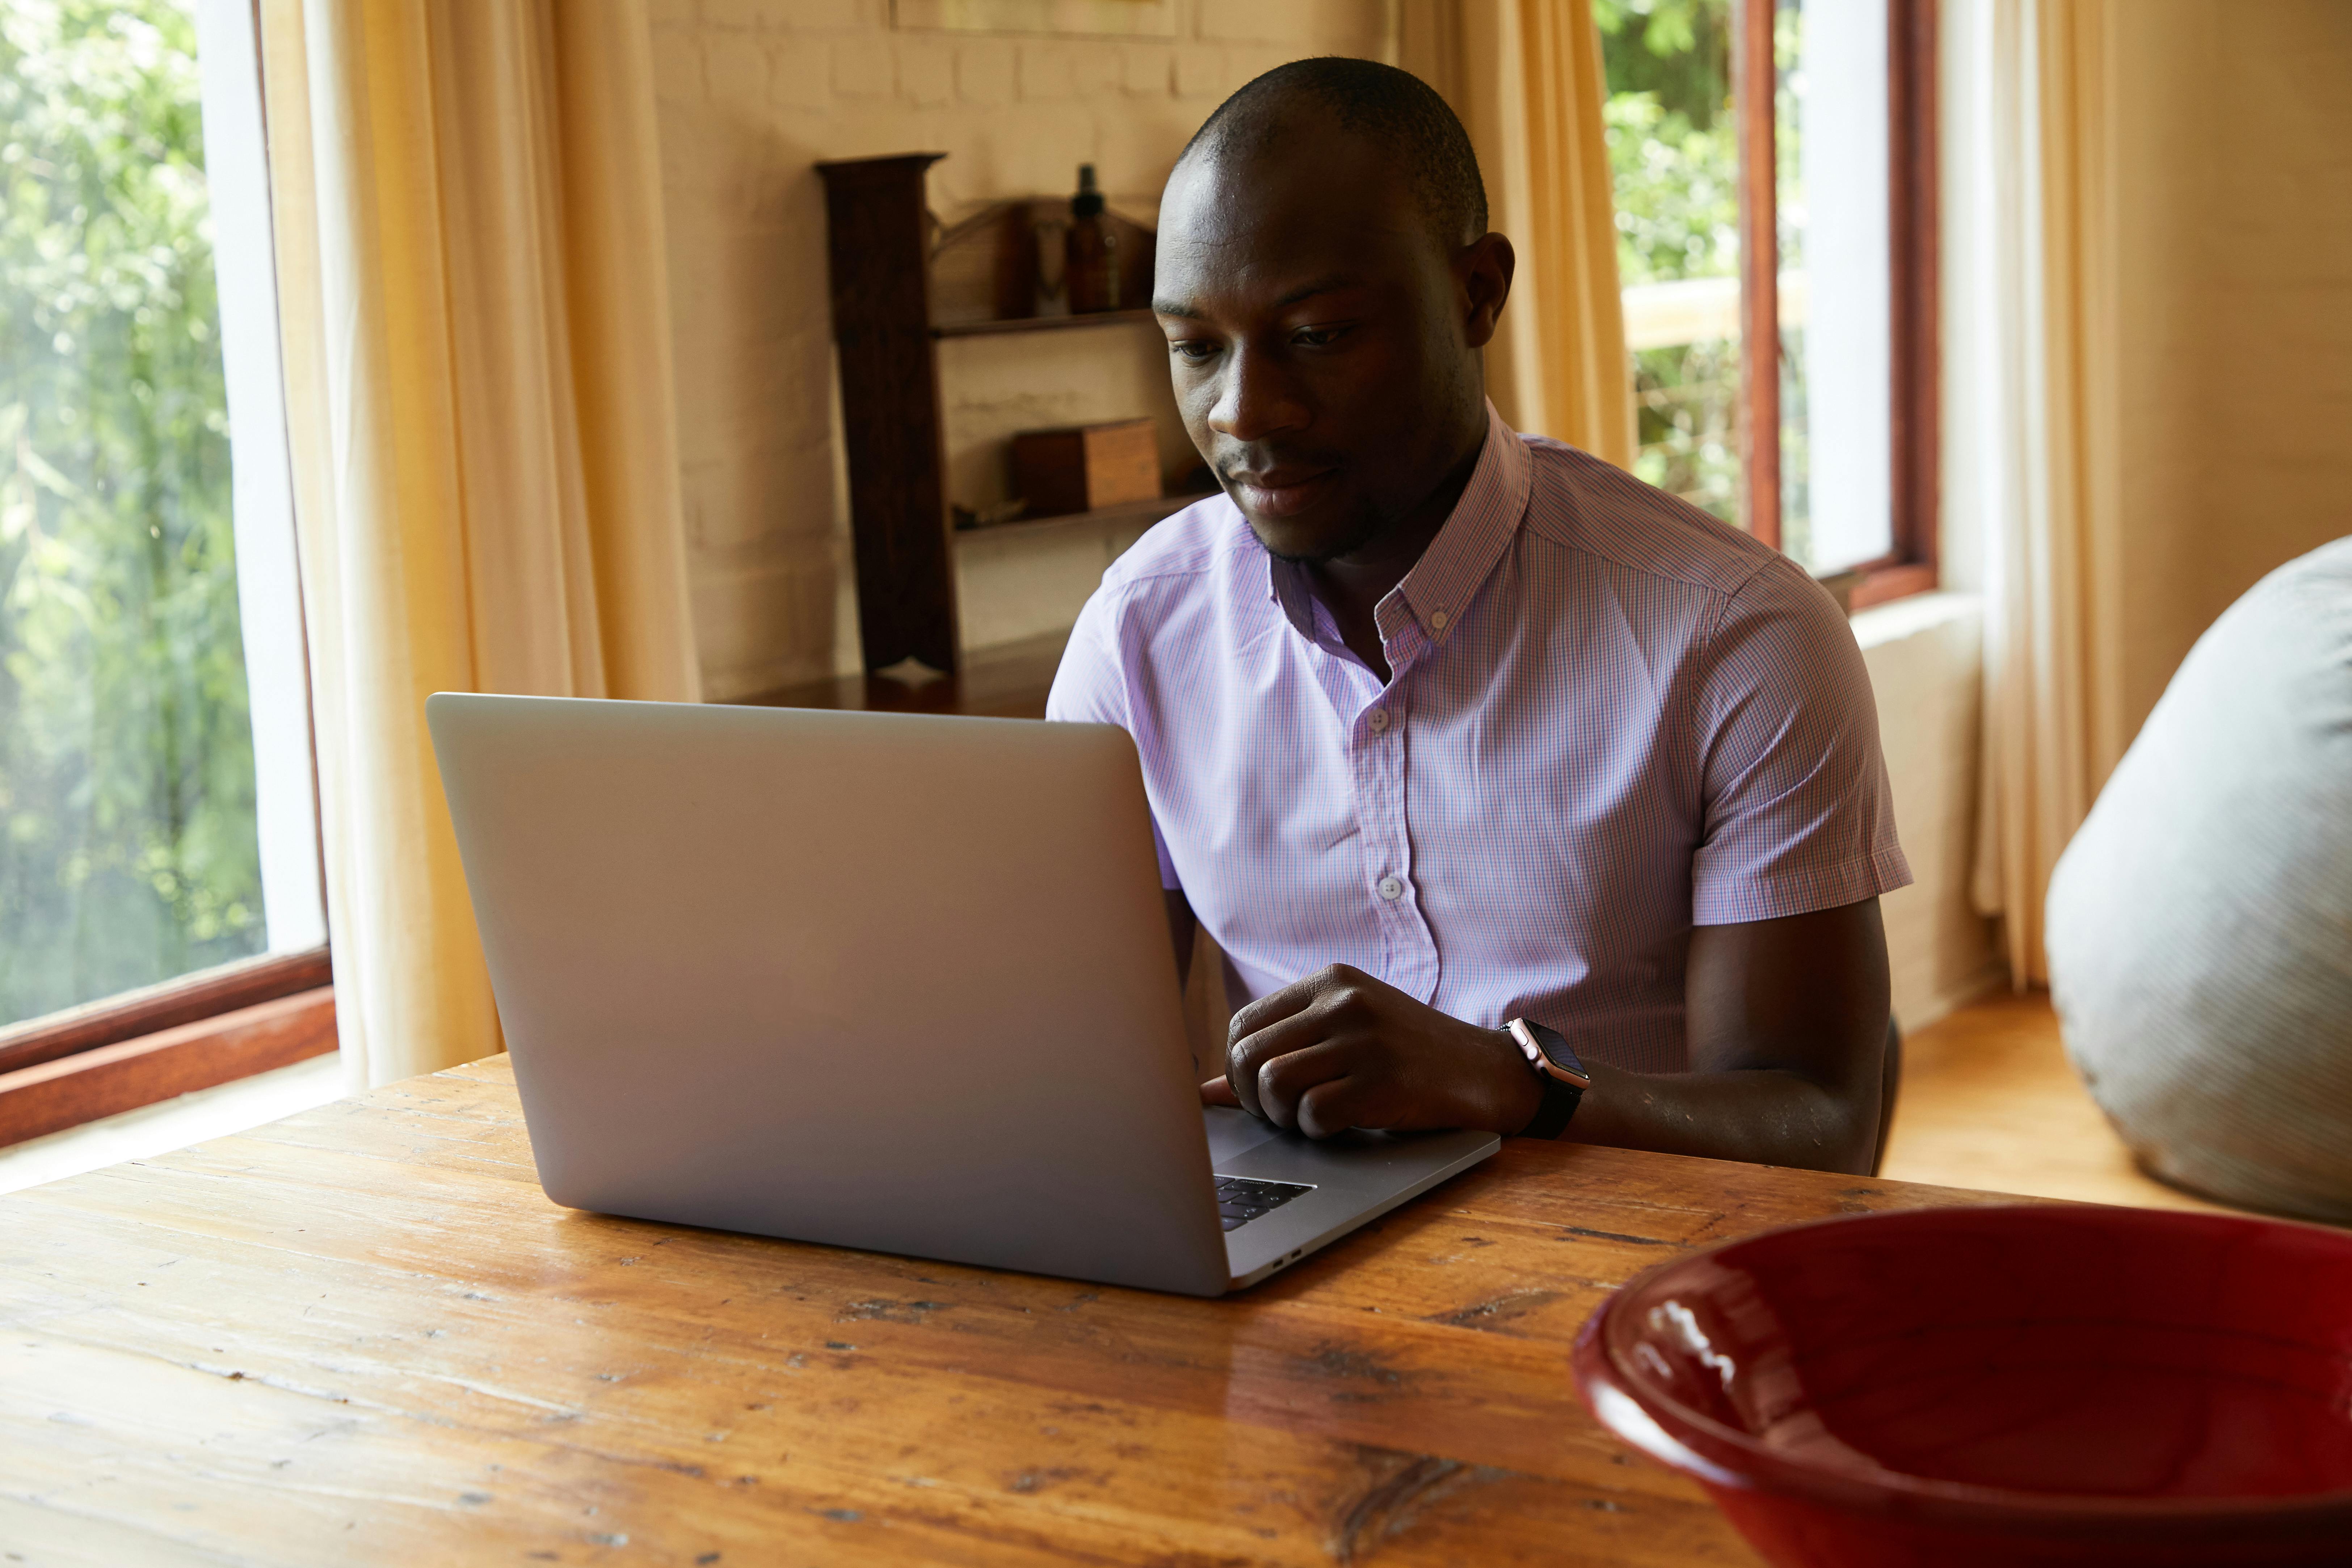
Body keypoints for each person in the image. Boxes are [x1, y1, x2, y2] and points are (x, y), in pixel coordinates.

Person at [1046, 58, 1909, 1174]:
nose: (1243, 409)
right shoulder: (1139, 634)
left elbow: (1819, 1125)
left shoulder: (1735, 637)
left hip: (1639, 1288)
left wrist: (1510, 1083)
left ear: (1476, 295)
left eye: (1317, 334)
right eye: (1197, 348)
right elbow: (1065, 1061)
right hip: (1306, 1281)